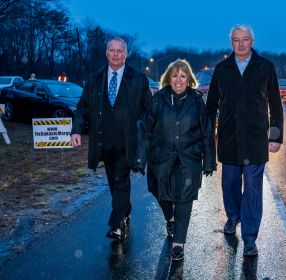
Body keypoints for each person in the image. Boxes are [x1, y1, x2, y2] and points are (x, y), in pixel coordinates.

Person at [206, 24, 283, 256]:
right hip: (228, 139)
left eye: (245, 39)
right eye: (236, 40)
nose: (241, 44)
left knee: (252, 190)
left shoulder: (265, 67)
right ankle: (233, 217)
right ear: (231, 43)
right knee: (229, 185)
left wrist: (275, 136)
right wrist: (208, 136)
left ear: (252, 41)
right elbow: (210, 107)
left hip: (255, 140)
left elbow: (275, 105)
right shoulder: (221, 69)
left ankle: (250, 237)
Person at [135, 59, 216, 261]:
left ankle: (179, 242)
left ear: (188, 79)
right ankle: (170, 218)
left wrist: (209, 161)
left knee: (184, 198)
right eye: (174, 75)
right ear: (168, 78)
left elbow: (207, 132)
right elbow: (145, 131)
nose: (178, 80)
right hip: (161, 157)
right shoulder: (158, 99)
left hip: (189, 159)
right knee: (161, 193)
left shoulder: (197, 101)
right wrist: (140, 158)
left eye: (182, 75)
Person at [71, 37, 151, 240]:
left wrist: (142, 129)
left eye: (120, 51)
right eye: (112, 50)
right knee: (114, 181)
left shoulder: (139, 79)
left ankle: (116, 225)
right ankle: (125, 208)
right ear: (106, 53)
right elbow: (82, 107)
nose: (115, 54)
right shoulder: (95, 78)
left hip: (128, 141)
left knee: (121, 178)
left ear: (126, 54)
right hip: (103, 140)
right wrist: (76, 130)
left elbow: (148, 110)